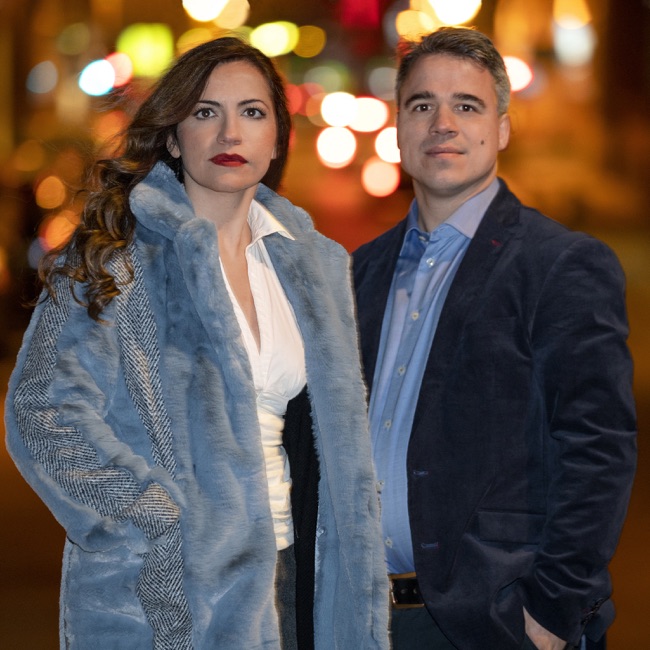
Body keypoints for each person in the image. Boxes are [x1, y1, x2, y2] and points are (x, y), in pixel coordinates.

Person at [5, 37, 389, 650]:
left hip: (300, 573)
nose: (230, 132)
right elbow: (42, 415)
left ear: (276, 138)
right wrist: (159, 523)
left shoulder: (312, 264)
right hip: (167, 590)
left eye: (252, 112)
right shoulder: (117, 255)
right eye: (206, 112)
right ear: (174, 137)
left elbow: (329, 437)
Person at [352, 26, 636, 650]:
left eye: (467, 105)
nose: (442, 124)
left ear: (502, 129)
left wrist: (555, 610)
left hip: (494, 623)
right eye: (421, 105)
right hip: (365, 619)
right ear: (398, 128)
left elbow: (599, 449)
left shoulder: (560, 264)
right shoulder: (360, 270)